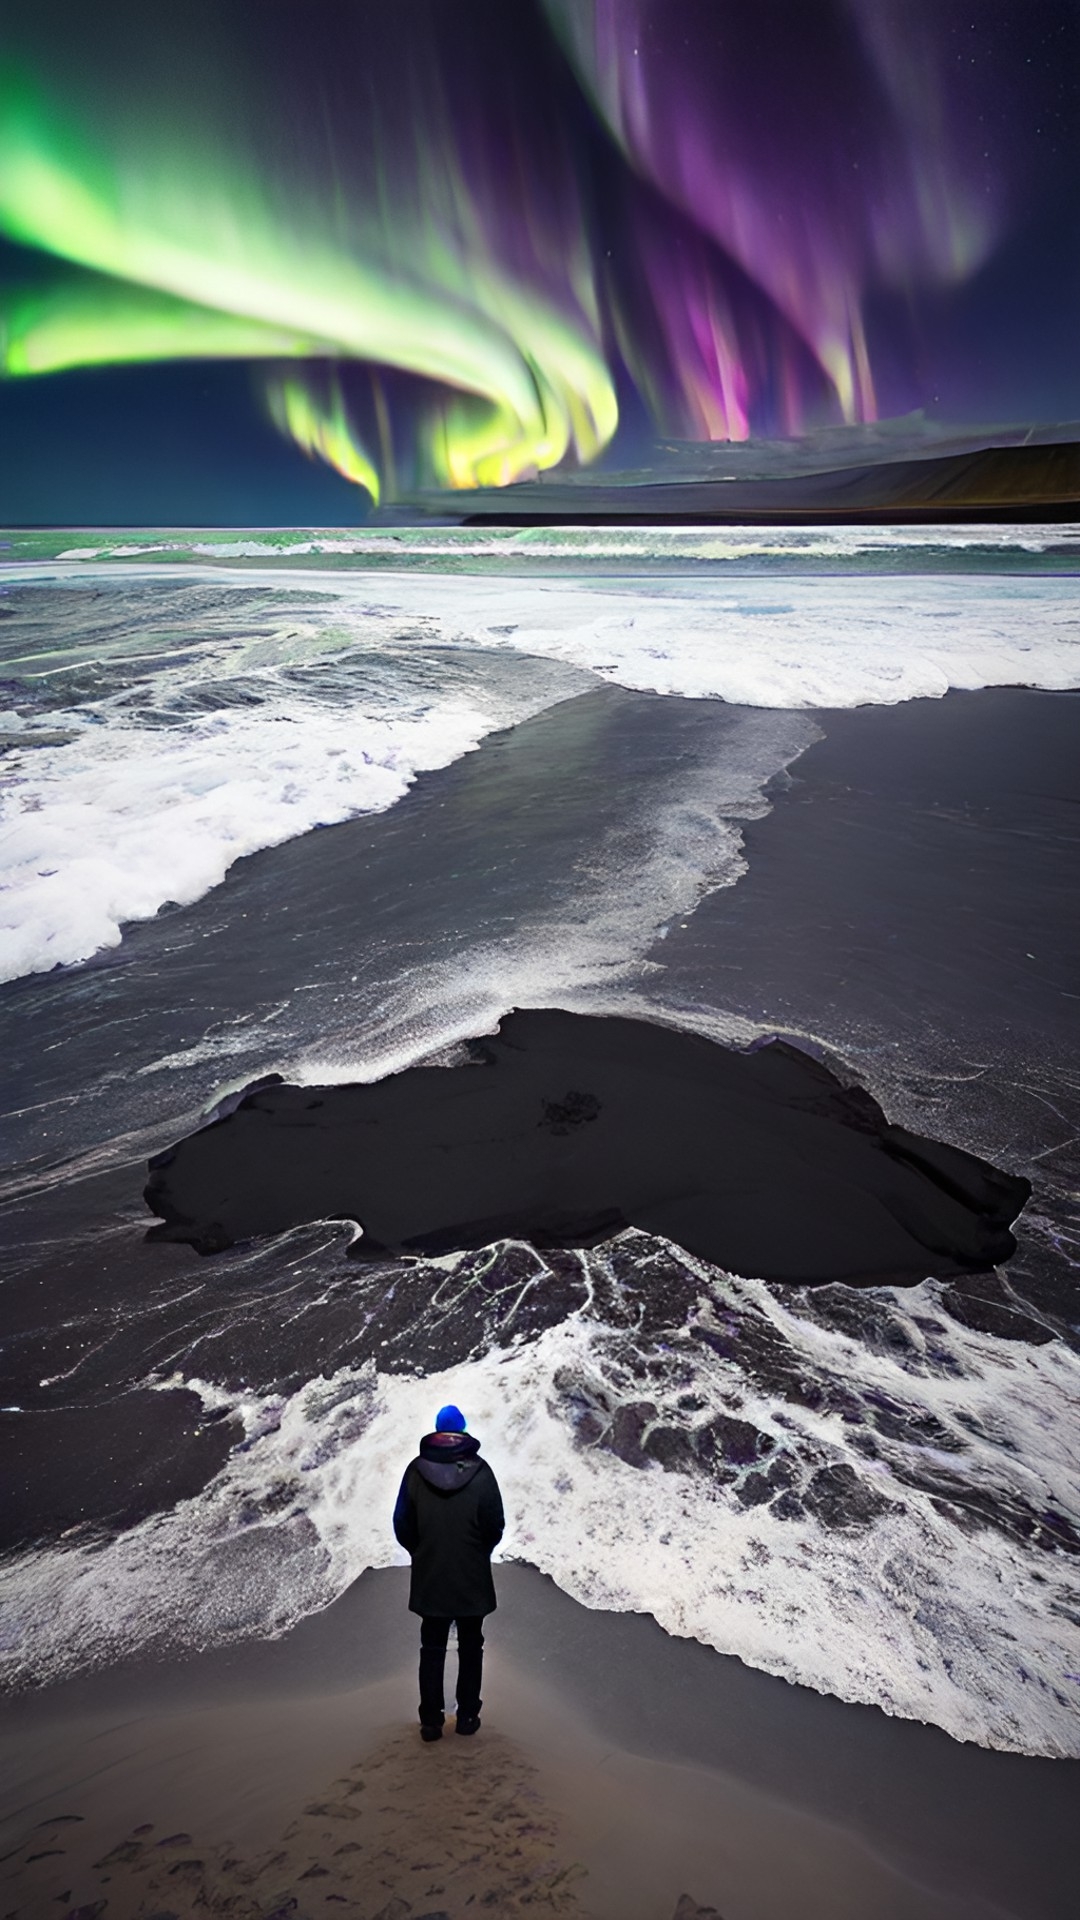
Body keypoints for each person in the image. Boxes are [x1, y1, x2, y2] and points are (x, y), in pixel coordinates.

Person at [392, 1403, 505, 1741]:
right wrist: (478, 1551)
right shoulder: (482, 1472)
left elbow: (402, 1523)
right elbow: (495, 1524)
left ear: (437, 1430)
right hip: (471, 1574)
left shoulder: (415, 1471)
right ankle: (468, 1716)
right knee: (472, 1645)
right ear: (464, 1431)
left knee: (432, 1646)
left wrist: (421, 1551)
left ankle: (431, 1722)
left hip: (431, 1572)